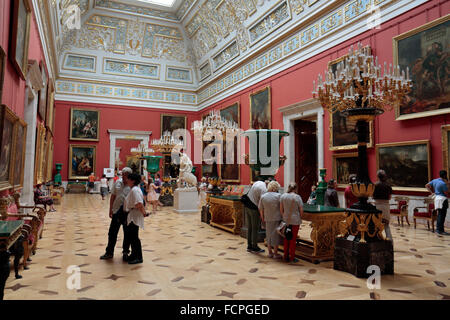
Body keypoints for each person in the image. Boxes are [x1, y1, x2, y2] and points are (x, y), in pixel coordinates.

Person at [100, 167, 132, 261]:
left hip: (127, 212)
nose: (122, 176)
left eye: (124, 174)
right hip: (116, 211)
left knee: (127, 233)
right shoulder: (117, 182)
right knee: (112, 233)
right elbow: (113, 196)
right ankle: (109, 252)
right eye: (122, 174)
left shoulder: (132, 185)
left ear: (128, 175)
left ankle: (126, 252)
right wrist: (110, 210)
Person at [124, 173, 149, 264]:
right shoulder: (134, 189)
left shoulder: (135, 190)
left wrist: (144, 213)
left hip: (135, 214)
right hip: (133, 213)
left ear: (133, 180)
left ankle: (139, 257)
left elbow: (139, 203)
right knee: (131, 236)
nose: (127, 180)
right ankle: (134, 255)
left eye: (129, 179)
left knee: (134, 237)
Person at [280, 182, 303, 263]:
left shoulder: (283, 196)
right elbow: (301, 210)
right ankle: (292, 257)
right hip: (295, 220)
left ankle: (285, 256)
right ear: (296, 188)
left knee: (286, 238)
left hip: (286, 220)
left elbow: (281, 209)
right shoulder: (297, 197)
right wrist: (300, 217)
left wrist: (284, 217)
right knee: (293, 240)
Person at [259, 181, 282, 259]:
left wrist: (262, 218)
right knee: (276, 236)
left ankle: (270, 252)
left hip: (267, 217)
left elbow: (261, 209)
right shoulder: (279, 196)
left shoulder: (263, 196)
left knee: (268, 235)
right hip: (277, 217)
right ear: (276, 187)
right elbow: (282, 208)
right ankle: (275, 253)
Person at [245, 178, 268, 253]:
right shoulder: (264, 190)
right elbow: (262, 204)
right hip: (254, 208)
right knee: (255, 228)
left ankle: (249, 245)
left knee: (250, 227)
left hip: (247, 205)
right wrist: (262, 215)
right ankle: (254, 246)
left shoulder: (258, 182)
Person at [426, 170, 450, 235]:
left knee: (440, 214)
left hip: (436, 199)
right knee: (442, 215)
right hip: (442, 199)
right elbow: (447, 192)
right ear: (445, 175)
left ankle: (439, 230)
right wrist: (448, 184)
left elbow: (426, 185)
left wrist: (432, 192)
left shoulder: (435, 180)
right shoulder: (443, 183)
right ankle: (439, 230)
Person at [373, 170, 394, 241]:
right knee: (386, 226)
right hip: (385, 206)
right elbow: (390, 197)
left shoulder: (375, 185)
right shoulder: (388, 185)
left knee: (376, 226)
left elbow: (372, 196)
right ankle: (390, 243)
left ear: (378, 177)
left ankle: (376, 241)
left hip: (377, 206)